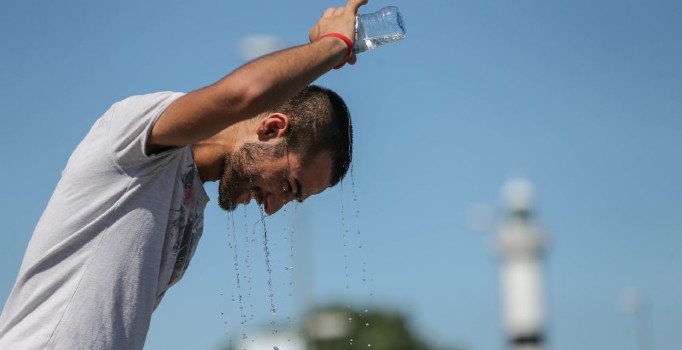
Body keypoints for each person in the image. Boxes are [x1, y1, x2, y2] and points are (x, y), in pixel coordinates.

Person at [0, 0, 367, 348]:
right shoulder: (138, 138)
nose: (273, 208)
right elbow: (244, 94)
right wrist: (335, 45)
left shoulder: (192, 210)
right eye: (288, 185)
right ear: (271, 129)